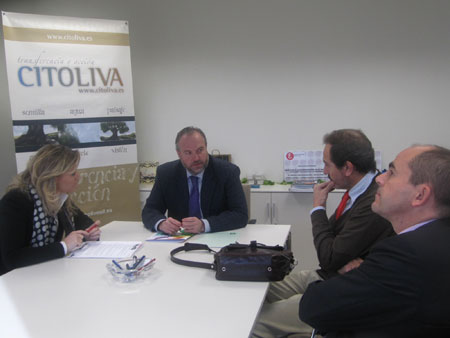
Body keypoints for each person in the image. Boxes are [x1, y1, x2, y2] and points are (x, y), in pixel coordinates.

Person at [252, 129, 394, 337]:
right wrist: (336, 252)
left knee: (256, 322)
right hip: (326, 275)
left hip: (338, 287)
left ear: (347, 167)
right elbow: (332, 244)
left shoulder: (372, 202)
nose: (324, 170)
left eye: (327, 164)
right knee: (258, 291)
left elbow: (328, 256)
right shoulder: (357, 192)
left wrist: (318, 207)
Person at [300, 145, 450, 337]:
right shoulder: (435, 237)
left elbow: (313, 306)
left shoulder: (406, 253)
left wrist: (365, 271)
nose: (379, 178)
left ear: (420, 195)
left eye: (392, 173)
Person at [0, 144, 101, 275]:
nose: (78, 177)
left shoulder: (59, 199)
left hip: (44, 273)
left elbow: (84, 222)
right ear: (53, 177)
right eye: (72, 174)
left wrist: (90, 233)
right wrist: (63, 246)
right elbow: (12, 258)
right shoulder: (16, 202)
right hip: (12, 282)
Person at [142, 126, 248, 234]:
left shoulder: (227, 172)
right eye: (188, 153)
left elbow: (240, 214)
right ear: (179, 154)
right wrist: (161, 223)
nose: (196, 158)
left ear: (206, 147)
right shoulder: (166, 173)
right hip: (178, 241)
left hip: (216, 239)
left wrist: (204, 225)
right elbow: (149, 211)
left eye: (200, 150)